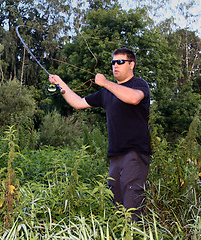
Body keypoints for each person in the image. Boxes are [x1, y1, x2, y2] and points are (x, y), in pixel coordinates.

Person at [49, 47, 151, 221]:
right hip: (115, 156)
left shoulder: (138, 84)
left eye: (120, 62)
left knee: (132, 204)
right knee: (116, 205)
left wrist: (105, 83)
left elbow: (133, 98)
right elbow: (78, 103)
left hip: (135, 153)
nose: (115, 66)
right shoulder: (106, 93)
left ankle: (138, 234)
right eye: (113, 62)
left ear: (131, 64)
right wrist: (60, 84)